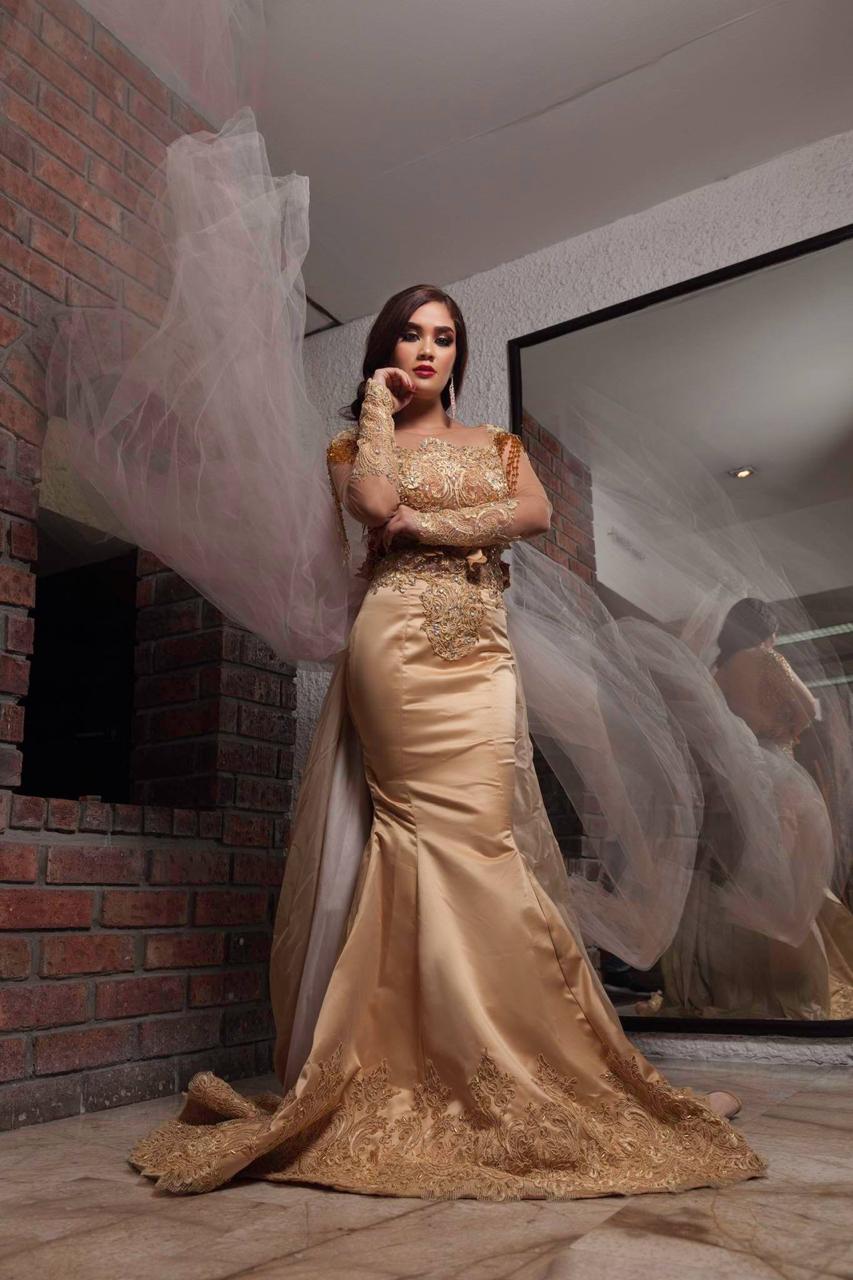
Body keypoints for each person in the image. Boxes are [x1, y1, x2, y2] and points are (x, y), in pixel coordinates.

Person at [125, 284, 765, 1199]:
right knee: (412, 836)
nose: (428, 351)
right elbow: (373, 499)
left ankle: (527, 1055)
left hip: (481, 653)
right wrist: (376, 411)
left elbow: (533, 515)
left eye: (445, 338)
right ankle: (412, 1059)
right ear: (386, 352)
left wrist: (429, 525)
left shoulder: (496, 445)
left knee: (488, 839)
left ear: (459, 354)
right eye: (410, 337)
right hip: (394, 648)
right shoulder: (354, 446)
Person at [639, 599, 853, 1020]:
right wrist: (783, 730)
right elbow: (808, 709)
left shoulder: (715, 673)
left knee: (736, 876)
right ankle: (786, 984)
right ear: (768, 632)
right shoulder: (768, 658)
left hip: (732, 780)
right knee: (787, 879)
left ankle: (731, 985)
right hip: (776, 777)